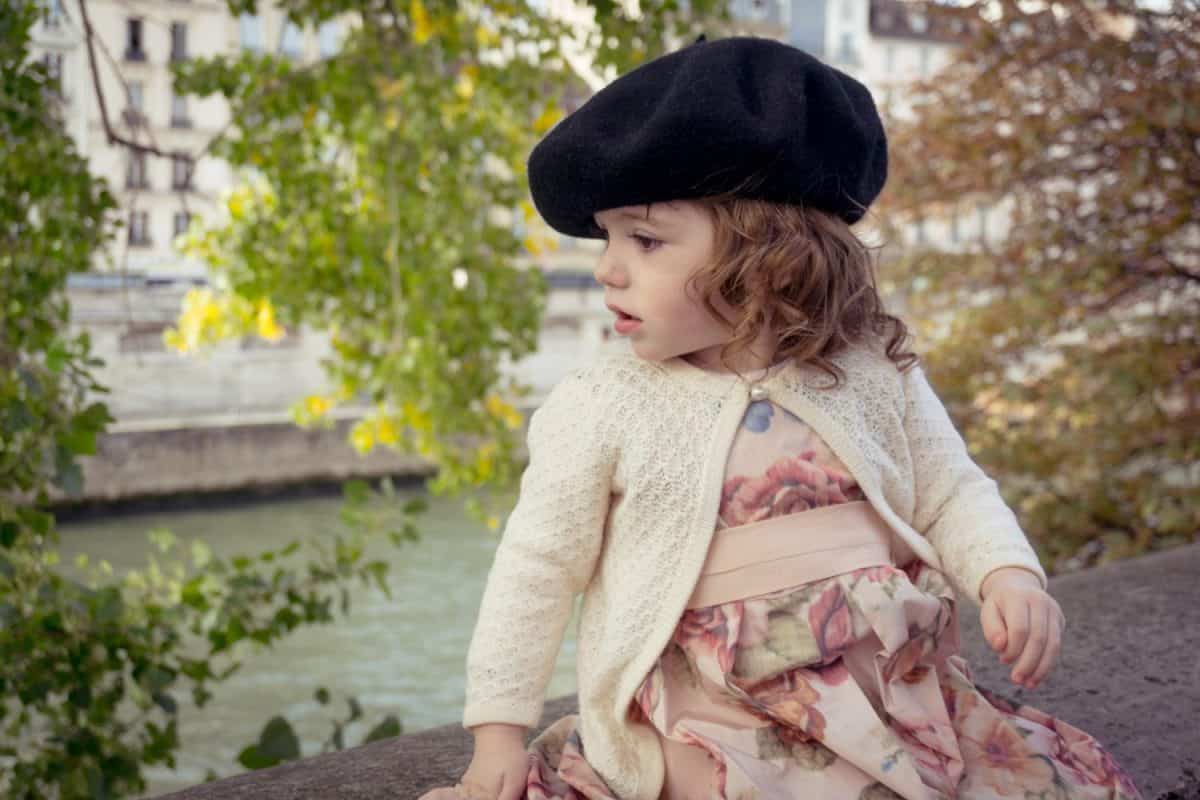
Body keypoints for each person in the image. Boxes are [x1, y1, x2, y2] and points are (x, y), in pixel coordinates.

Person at [418, 35, 1142, 800]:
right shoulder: (603, 402)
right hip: (712, 707)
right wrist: (497, 733)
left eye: (646, 239)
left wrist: (1006, 574)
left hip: (888, 693)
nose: (607, 266)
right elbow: (536, 568)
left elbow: (949, 486)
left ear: (767, 255)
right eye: (609, 238)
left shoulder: (868, 370)